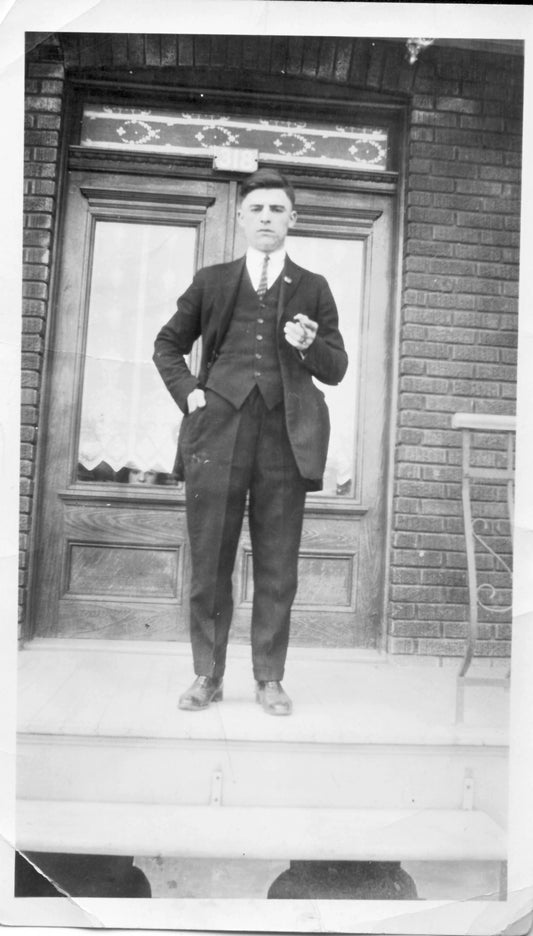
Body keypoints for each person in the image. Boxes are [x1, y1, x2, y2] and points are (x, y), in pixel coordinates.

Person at [153, 168, 347, 715]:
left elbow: (337, 367)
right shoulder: (212, 281)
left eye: (277, 210)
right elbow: (167, 345)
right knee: (211, 556)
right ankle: (206, 675)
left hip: (285, 436)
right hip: (217, 431)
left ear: (293, 219)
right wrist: (191, 394)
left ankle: (268, 678)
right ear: (241, 218)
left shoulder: (313, 287)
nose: (267, 218)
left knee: (278, 561)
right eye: (257, 209)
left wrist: (310, 346)